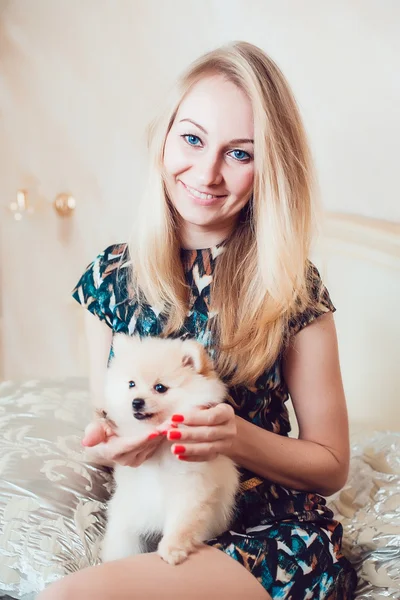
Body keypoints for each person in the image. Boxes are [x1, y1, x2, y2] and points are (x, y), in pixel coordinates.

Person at [38, 41, 357, 600]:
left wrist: (236, 437)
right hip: (155, 508)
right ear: (164, 138)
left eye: (240, 153)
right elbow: (106, 421)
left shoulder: (291, 286)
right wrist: (111, 445)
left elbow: (331, 466)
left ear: (269, 167)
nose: (206, 173)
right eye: (192, 138)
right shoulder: (110, 278)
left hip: (272, 534)